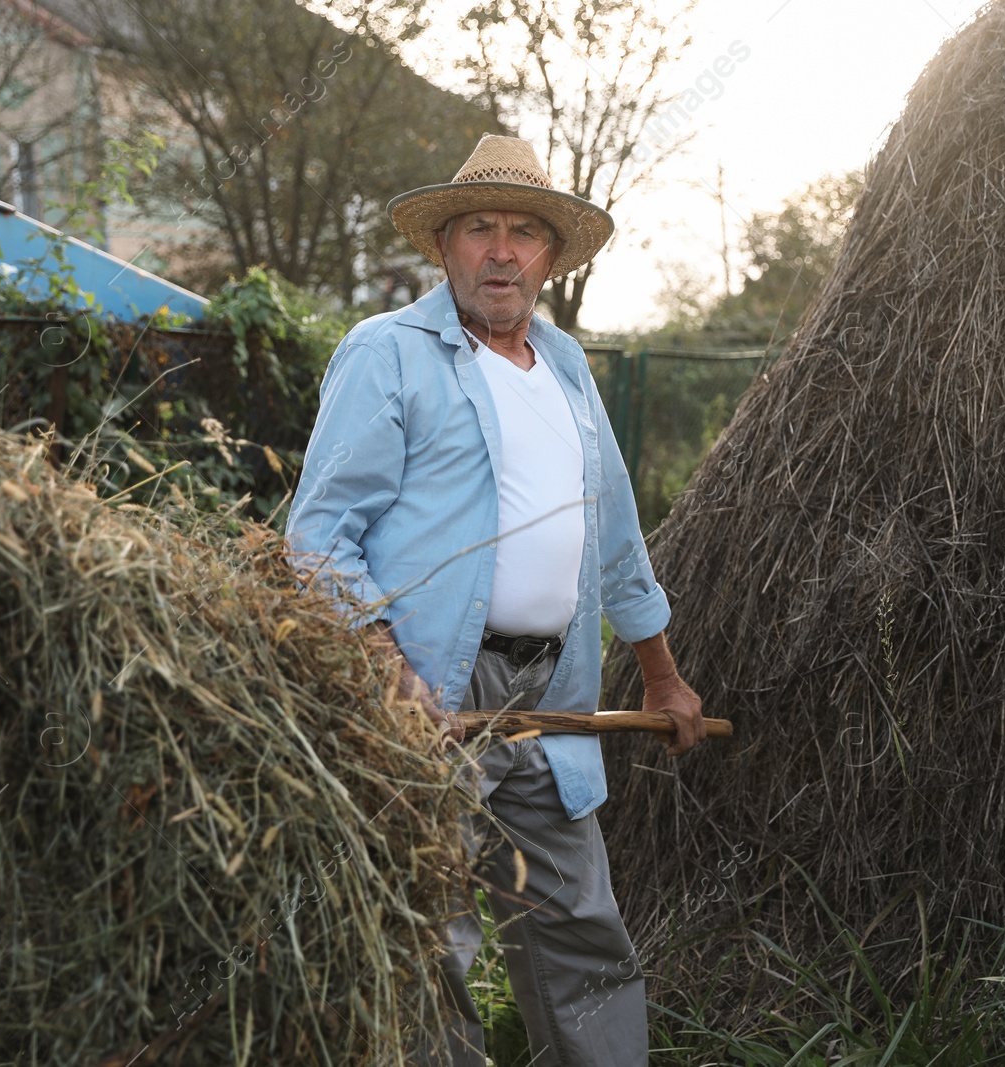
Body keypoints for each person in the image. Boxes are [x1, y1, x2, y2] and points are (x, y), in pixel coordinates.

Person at [286, 133, 704, 1067]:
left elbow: (620, 543)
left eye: (523, 232)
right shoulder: (388, 355)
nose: (502, 251)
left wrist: (662, 679)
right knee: (429, 940)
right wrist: (393, 680)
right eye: (481, 228)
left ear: (551, 256)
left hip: (554, 689)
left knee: (579, 929)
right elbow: (317, 539)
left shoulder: (565, 370)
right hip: (430, 686)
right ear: (446, 246)